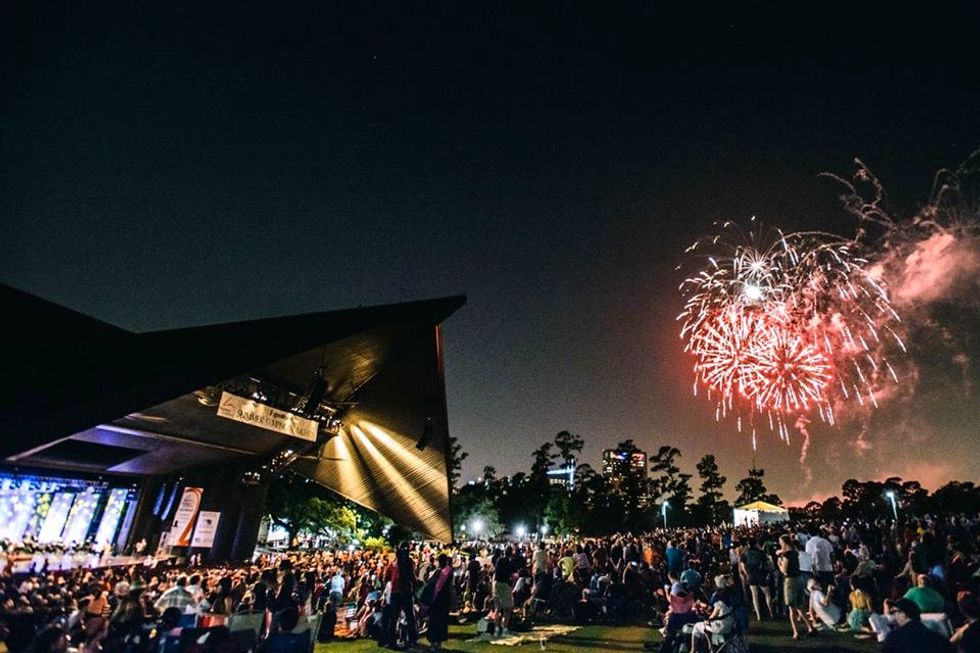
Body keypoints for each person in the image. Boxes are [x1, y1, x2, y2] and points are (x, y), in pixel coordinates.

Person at [881, 598, 954, 653]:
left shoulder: (893, 638)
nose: (894, 615)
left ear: (903, 614)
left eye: (894, 612)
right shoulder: (938, 638)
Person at [777, 536, 811, 640]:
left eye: (780, 542)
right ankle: (810, 627)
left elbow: (784, 570)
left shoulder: (787, 555)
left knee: (791, 608)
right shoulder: (795, 553)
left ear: (784, 543)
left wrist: (779, 563)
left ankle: (796, 632)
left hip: (790, 581)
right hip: (798, 578)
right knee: (800, 606)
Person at [689, 575, 734, 652]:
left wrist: (706, 618)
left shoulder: (718, 603)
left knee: (697, 626)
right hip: (730, 625)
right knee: (706, 625)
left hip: (722, 627)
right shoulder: (730, 599)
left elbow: (711, 617)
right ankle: (710, 645)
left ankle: (693, 650)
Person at [739, 538, 773, 621]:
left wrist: (746, 574)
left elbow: (742, 565)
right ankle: (771, 612)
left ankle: (758, 615)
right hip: (761, 574)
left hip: (751, 575)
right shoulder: (761, 553)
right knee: (767, 594)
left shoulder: (745, 554)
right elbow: (767, 563)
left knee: (755, 595)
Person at [426, 554, 454, 650]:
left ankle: (434, 642)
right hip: (444, 598)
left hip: (438, 598)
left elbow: (429, 581)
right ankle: (438, 642)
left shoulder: (440, 572)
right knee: (441, 621)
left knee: (435, 620)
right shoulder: (449, 571)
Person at [493, 547, 516, 637]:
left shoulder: (499, 560)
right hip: (504, 584)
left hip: (497, 584)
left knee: (497, 609)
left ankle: (497, 629)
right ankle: (505, 629)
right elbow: (513, 572)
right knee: (507, 609)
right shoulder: (509, 563)